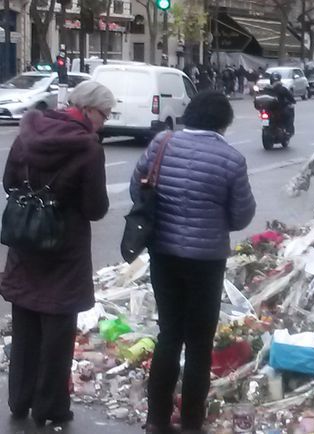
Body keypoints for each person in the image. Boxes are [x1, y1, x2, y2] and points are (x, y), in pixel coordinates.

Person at [132, 91, 256, 434]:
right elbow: (241, 215)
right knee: (200, 343)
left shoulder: (161, 143)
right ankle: (191, 423)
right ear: (224, 122)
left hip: (163, 252)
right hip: (206, 260)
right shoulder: (231, 159)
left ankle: (156, 420)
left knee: (169, 333)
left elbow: (137, 188)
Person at [0, 81, 115, 428]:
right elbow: (95, 208)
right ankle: (49, 406)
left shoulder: (28, 134)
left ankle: (19, 399)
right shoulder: (88, 149)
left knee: (25, 324)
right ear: (89, 110)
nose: (105, 122)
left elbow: (8, 183)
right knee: (57, 332)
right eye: (105, 114)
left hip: (26, 242)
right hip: (64, 249)